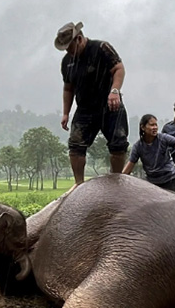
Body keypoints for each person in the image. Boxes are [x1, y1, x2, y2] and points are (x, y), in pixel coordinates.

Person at [55, 21, 129, 185]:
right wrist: (66, 112)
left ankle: (117, 180)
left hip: (110, 103)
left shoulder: (102, 48)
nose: (68, 51)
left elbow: (119, 68)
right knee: (75, 145)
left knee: (118, 144)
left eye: (70, 47)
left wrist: (114, 91)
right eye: (65, 49)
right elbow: (68, 89)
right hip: (85, 108)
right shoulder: (67, 62)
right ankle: (79, 184)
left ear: (79, 39)